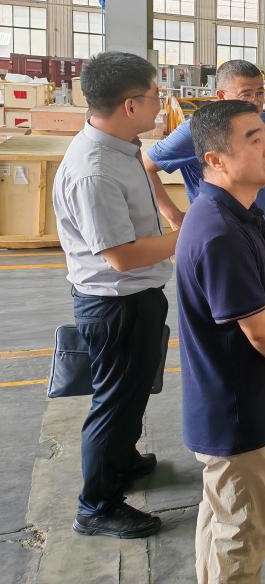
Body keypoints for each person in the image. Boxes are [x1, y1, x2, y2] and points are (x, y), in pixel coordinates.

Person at [175, 100, 265, 582]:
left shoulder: (240, 214)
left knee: (222, 520)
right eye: (254, 141)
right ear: (215, 160)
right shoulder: (218, 231)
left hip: (245, 401)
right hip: (237, 412)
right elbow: (258, 330)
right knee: (242, 535)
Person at [52, 51, 178, 539]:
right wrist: (188, 235)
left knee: (132, 392)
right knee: (115, 402)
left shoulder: (121, 149)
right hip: (116, 303)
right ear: (130, 105)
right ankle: (97, 506)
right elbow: (122, 256)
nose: (160, 105)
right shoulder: (95, 170)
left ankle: (120, 459)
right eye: (155, 96)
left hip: (136, 297)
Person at [143, 60, 265, 228]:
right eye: (246, 95)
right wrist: (174, 217)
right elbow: (146, 165)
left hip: (258, 223)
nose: (256, 101)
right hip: (218, 226)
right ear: (221, 96)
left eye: (260, 93)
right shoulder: (197, 130)